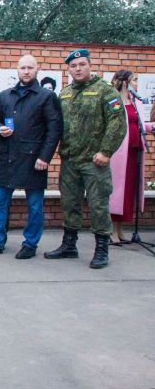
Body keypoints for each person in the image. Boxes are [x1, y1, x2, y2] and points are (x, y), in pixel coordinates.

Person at [45, 49, 126, 269]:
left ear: (89, 65)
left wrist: (106, 151)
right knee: (69, 203)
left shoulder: (105, 91)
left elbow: (117, 124)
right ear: (68, 69)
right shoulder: (65, 93)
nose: (78, 69)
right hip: (70, 160)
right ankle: (69, 245)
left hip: (94, 161)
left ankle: (102, 249)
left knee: (98, 205)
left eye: (82, 64)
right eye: (73, 66)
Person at [0, 55, 63, 258]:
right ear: (17, 70)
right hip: (6, 157)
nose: (26, 71)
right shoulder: (6, 96)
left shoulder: (46, 97)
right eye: (22, 67)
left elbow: (54, 130)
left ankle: (30, 244)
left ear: (37, 70)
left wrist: (45, 157)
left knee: (34, 206)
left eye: (29, 68)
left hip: (34, 159)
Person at [108, 70, 154, 242]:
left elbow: (139, 124)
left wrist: (151, 127)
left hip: (134, 153)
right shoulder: (114, 101)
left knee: (127, 193)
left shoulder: (135, 102)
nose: (136, 84)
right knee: (116, 193)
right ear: (125, 82)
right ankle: (112, 230)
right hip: (118, 155)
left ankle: (120, 229)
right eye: (134, 80)